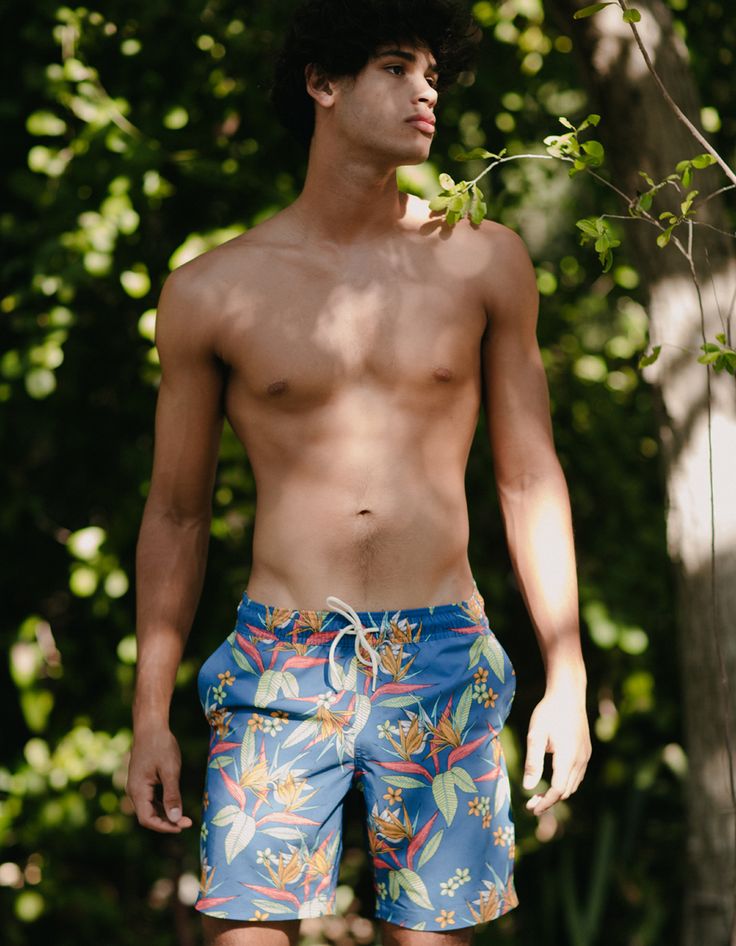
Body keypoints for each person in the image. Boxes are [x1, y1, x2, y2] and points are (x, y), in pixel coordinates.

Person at [126, 1, 592, 943]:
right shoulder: (214, 290)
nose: (426, 89)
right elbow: (175, 515)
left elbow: (529, 480)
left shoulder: (483, 263)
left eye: (432, 71)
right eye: (394, 66)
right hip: (278, 661)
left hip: (443, 662)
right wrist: (149, 710)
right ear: (323, 83)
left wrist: (567, 671)